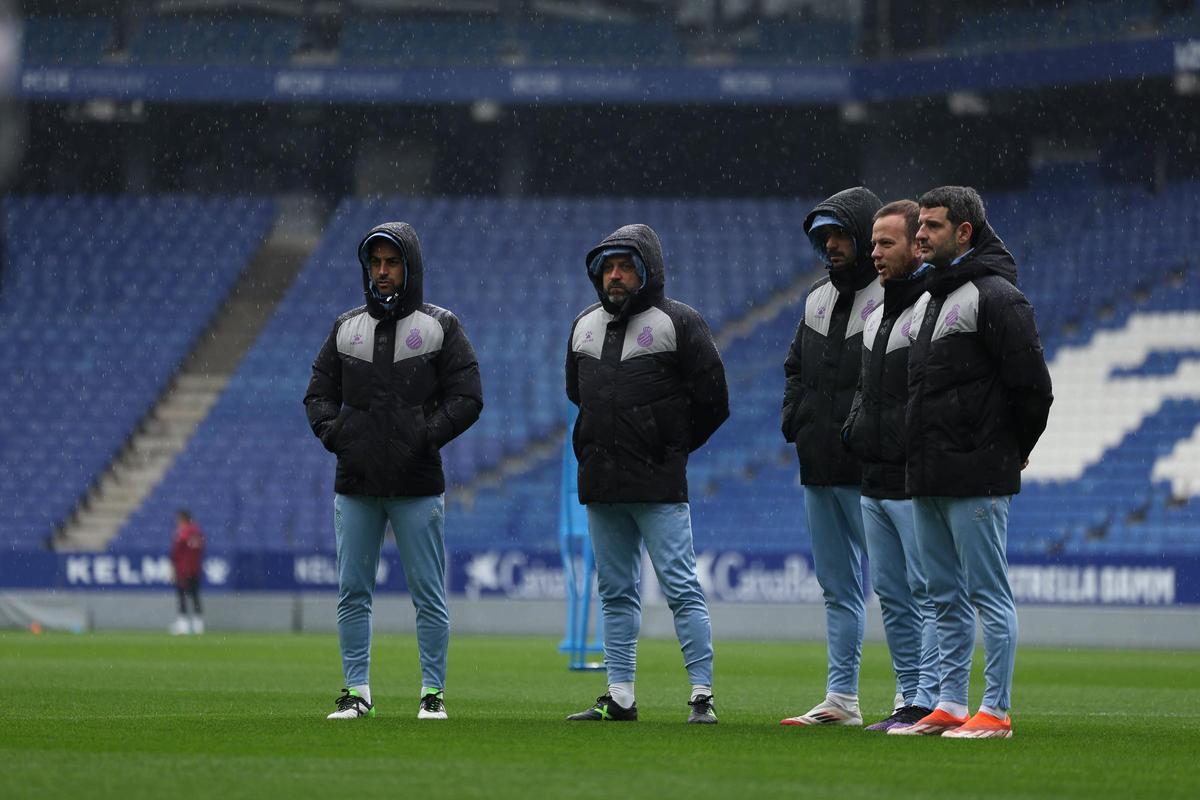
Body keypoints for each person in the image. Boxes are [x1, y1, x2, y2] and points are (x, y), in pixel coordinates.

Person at [889, 187, 1052, 739]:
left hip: (977, 473)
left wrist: (1007, 453)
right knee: (943, 597)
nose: (920, 236)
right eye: (919, 228)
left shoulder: (997, 297)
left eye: (931, 227)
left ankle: (997, 711)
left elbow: (1034, 391)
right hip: (929, 473)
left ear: (964, 232)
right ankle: (951, 705)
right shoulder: (931, 298)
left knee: (988, 594)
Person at [304, 222, 483, 721]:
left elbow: (468, 397)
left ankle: (433, 695)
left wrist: (424, 437)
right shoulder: (345, 328)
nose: (382, 272)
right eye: (375, 263)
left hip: (416, 484)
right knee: (352, 593)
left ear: (410, 267)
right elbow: (317, 395)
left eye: (392, 262)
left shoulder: (440, 326)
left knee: (428, 594)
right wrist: (337, 436)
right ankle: (357, 692)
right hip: (356, 484)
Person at [565, 223, 729, 724]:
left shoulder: (680, 322)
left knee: (681, 589)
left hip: (658, 484)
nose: (615, 276)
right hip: (602, 483)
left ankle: (702, 696)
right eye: (608, 267)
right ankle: (620, 697)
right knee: (614, 593)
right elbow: (578, 395)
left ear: (647, 270)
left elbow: (714, 403)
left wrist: (668, 449)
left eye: (626, 266)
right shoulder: (582, 325)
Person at [779, 187, 885, 727]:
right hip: (817, 468)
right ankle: (841, 699)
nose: (831, 245)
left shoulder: (893, 298)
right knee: (837, 589)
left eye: (841, 234)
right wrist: (795, 418)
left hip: (867, 470)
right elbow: (796, 366)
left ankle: (920, 697)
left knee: (897, 585)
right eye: (825, 237)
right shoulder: (816, 299)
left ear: (867, 237)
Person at [841, 200, 940, 731]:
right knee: (893, 596)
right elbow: (866, 391)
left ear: (915, 246)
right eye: (873, 243)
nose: (874, 253)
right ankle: (908, 696)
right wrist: (855, 431)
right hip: (874, 476)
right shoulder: (876, 313)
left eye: (887, 243)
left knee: (926, 591)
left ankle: (929, 698)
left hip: (911, 475)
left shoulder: (931, 308)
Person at [169, 509, 205, 635]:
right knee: (195, 596)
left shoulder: (182, 533)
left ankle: (183, 625)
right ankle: (198, 625)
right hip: (195, 568)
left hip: (183, 570)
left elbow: (175, 552)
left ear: (182, 519)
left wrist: (173, 569)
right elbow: (201, 549)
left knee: (182, 596)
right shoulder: (198, 532)